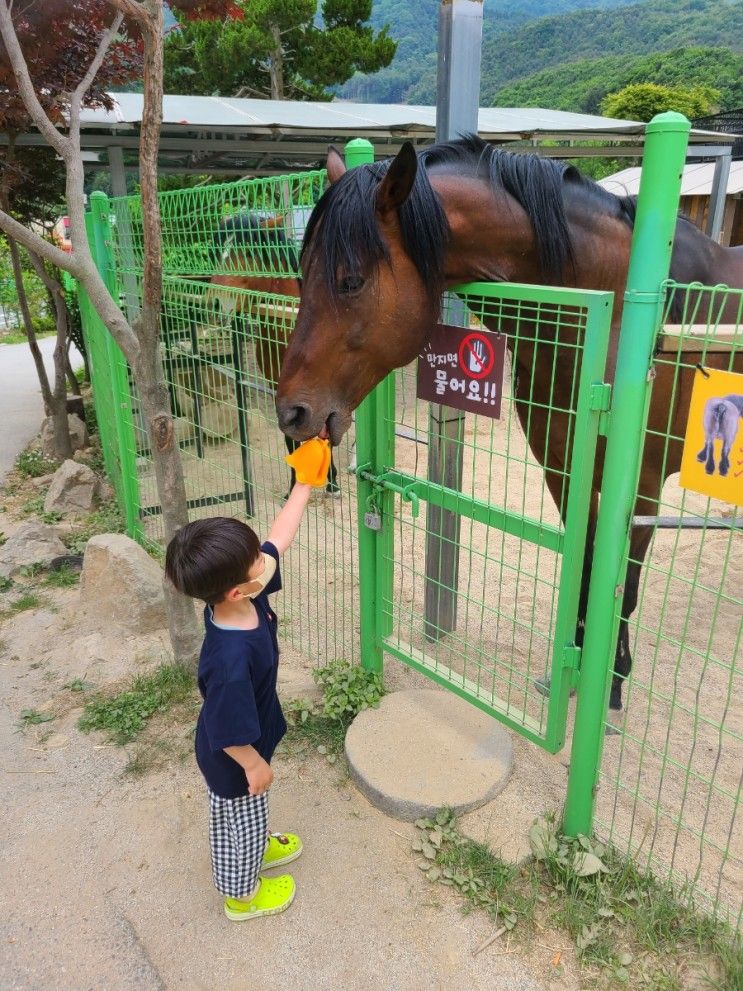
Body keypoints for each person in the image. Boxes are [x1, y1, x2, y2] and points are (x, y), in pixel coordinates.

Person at [165, 438, 330, 921]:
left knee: (248, 815)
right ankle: (242, 893)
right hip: (234, 755)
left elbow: (279, 539)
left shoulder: (241, 598)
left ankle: (253, 849)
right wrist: (254, 765)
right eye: (256, 559)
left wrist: (304, 485)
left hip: (251, 732)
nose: (265, 557)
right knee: (239, 819)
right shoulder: (230, 660)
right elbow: (224, 728)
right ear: (239, 586)